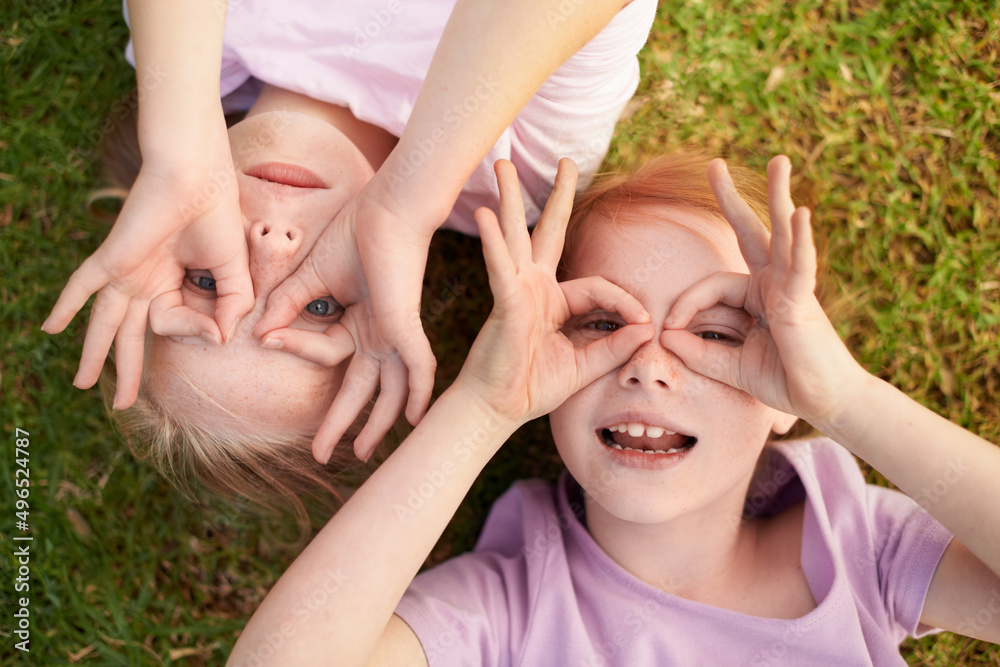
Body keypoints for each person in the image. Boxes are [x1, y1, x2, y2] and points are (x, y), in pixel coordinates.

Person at [227, 154, 1000, 665]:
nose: (649, 365)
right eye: (601, 323)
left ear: (784, 396)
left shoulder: (853, 543)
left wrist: (846, 398)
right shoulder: (513, 607)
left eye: (718, 334)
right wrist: (484, 407)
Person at [40, 0, 656, 508]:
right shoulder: (514, 163)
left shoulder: (186, 51)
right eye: (320, 307)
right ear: (379, 304)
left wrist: (176, 148)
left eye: (206, 279)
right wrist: (408, 198)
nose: (270, 248)